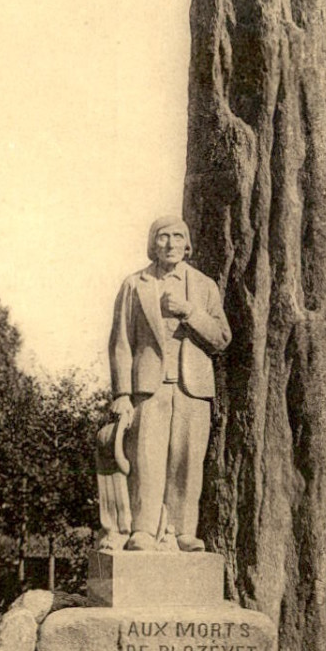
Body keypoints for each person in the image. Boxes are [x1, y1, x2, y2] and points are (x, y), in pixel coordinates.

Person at [108, 215, 231, 552]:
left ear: (187, 244)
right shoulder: (135, 285)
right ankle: (144, 530)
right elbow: (121, 343)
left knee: (187, 462)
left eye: (178, 236)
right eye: (163, 236)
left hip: (194, 389)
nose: (171, 243)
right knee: (146, 459)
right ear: (153, 243)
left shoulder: (204, 286)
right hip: (149, 388)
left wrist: (190, 311)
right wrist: (121, 393)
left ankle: (181, 531)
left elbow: (222, 337)